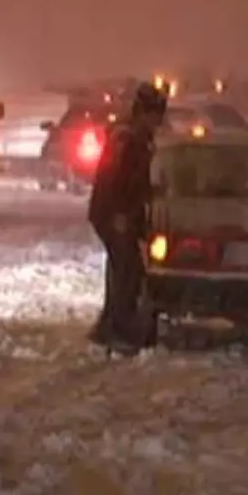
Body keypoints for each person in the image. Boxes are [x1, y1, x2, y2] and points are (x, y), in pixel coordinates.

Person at [87, 83, 168, 353]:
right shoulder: (127, 139)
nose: (158, 123)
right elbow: (114, 180)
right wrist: (119, 215)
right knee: (127, 270)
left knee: (122, 268)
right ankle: (117, 328)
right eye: (156, 116)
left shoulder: (137, 138)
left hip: (119, 213)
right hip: (113, 214)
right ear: (144, 113)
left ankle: (110, 323)